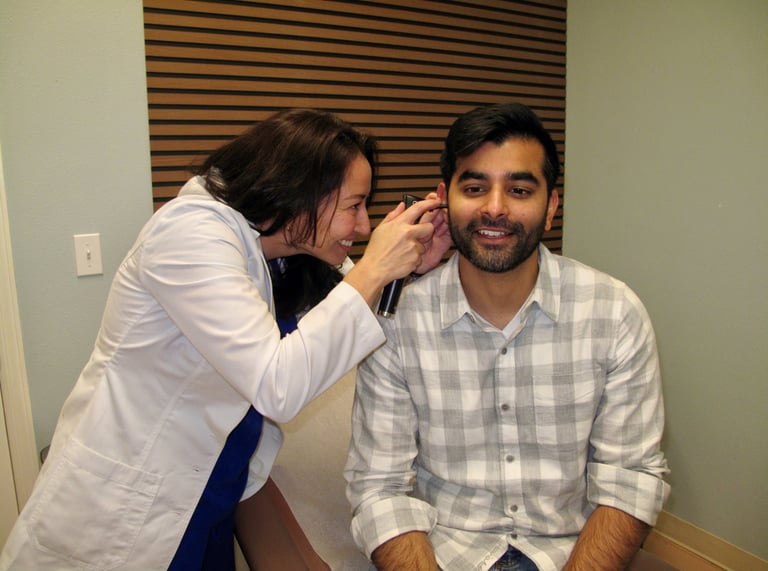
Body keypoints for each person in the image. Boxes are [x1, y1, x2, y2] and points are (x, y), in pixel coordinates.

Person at [0, 108, 450, 570]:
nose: (362, 227)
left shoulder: (288, 250)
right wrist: (378, 264)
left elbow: (348, 319)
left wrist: (404, 271)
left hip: (213, 493)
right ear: (297, 193)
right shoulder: (190, 234)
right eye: (354, 206)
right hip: (132, 509)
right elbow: (278, 385)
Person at [345, 102, 670, 571]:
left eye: (519, 189)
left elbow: (630, 477)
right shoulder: (396, 322)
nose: (494, 208)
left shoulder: (614, 313)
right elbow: (380, 487)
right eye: (474, 187)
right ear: (443, 199)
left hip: (573, 549)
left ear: (552, 206)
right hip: (442, 550)